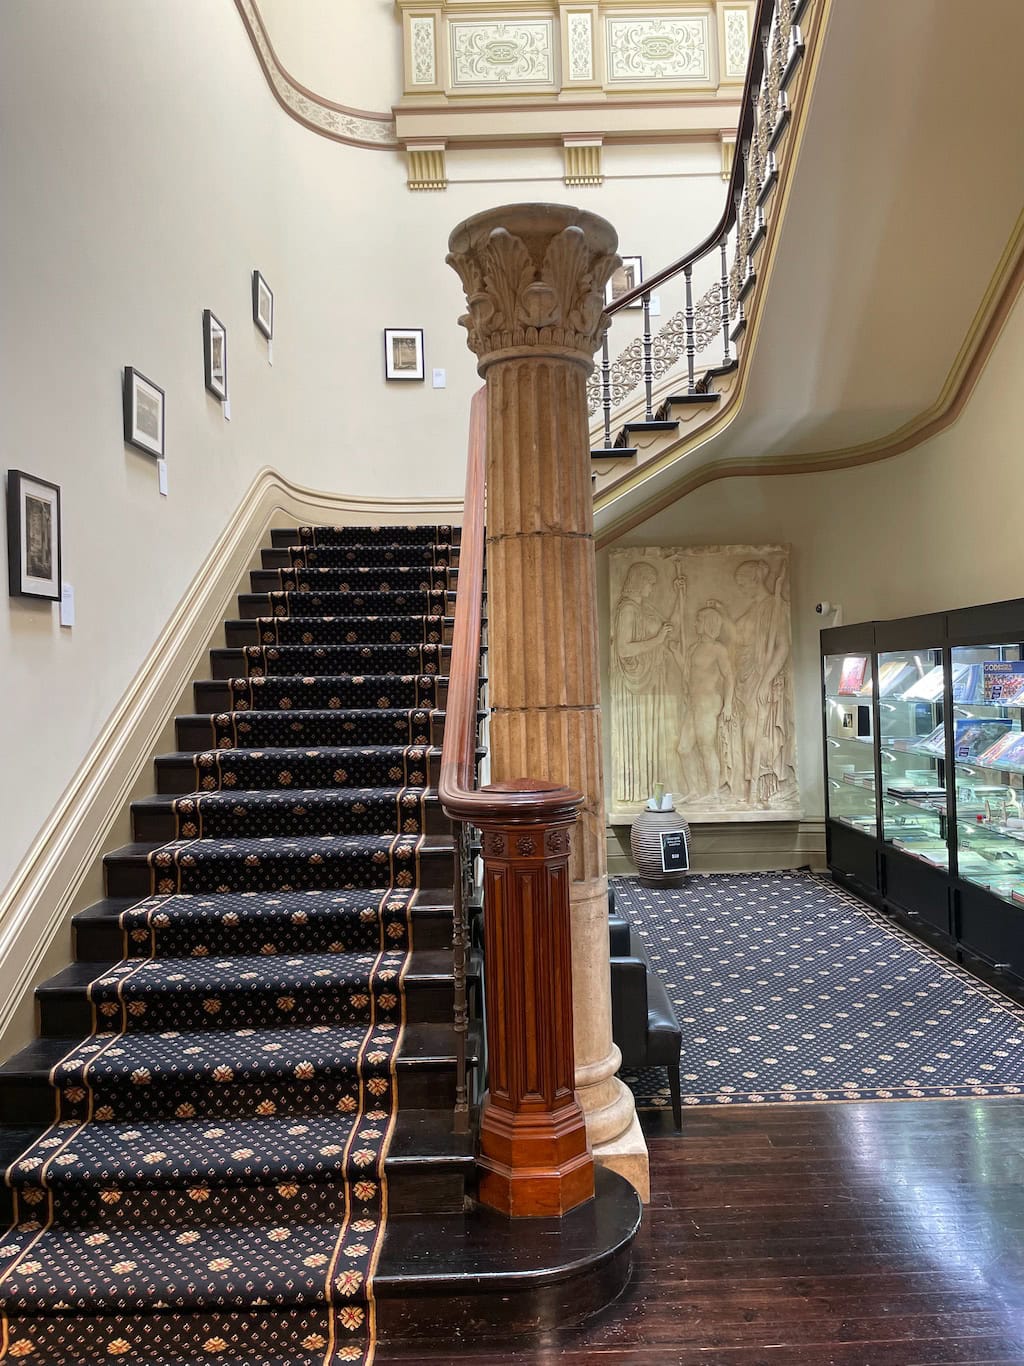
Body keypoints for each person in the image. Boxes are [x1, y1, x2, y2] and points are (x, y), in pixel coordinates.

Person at [611, 562, 680, 803]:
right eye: (649, 583)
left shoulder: (644, 607)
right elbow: (623, 649)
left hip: (653, 679)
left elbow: (667, 626)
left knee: (655, 736)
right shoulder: (628, 610)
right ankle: (638, 790)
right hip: (636, 685)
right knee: (640, 736)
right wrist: (658, 639)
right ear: (639, 581)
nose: (651, 589)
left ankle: (656, 792)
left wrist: (678, 595)